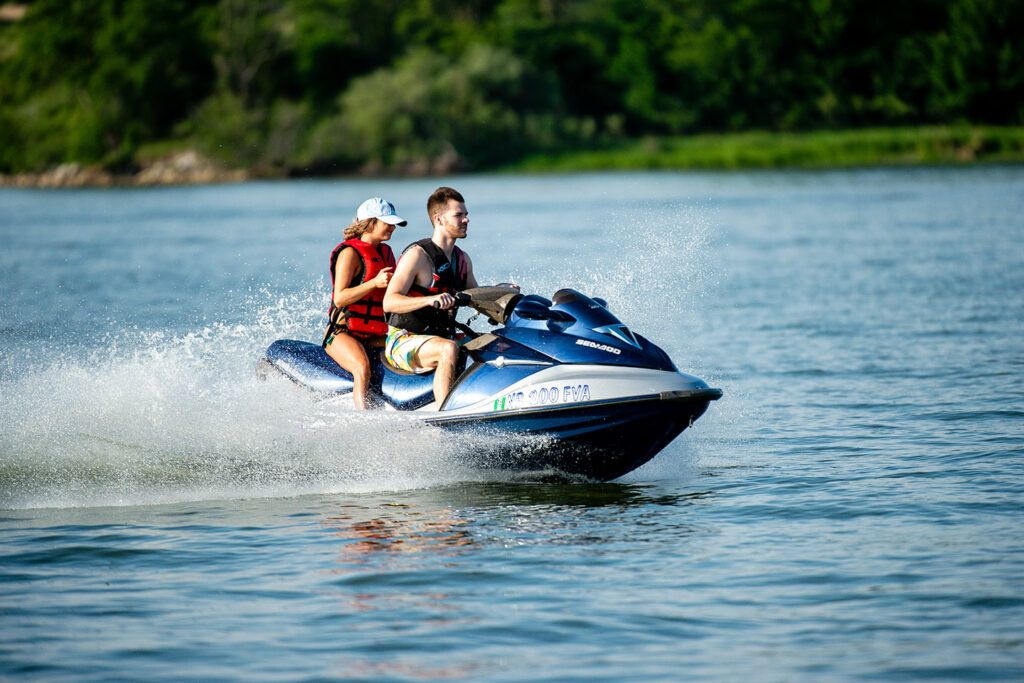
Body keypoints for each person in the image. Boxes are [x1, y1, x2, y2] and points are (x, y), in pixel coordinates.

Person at [383, 186, 480, 407]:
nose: (466, 220)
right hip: (404, 340)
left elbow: (476, 298)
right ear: (439, 219)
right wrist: (428, 300)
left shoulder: (462, 259)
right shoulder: (417, 256)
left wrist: (502, 293)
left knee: (494, 343)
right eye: (458, 215)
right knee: (449, 349)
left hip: (442, 336)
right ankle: (444, 418)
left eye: (466, 215)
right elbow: (389, 301)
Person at [323, 197, 406, 409]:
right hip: (342, 333)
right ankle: (364, 420)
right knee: (362, 366)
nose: (393, 228)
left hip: (374, 334)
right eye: (387, 222)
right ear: (370, 223)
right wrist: (374, 283)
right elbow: (340, 297)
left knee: (407, 350)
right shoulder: (350, 253)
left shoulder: (386, 253)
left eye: (393, 223)